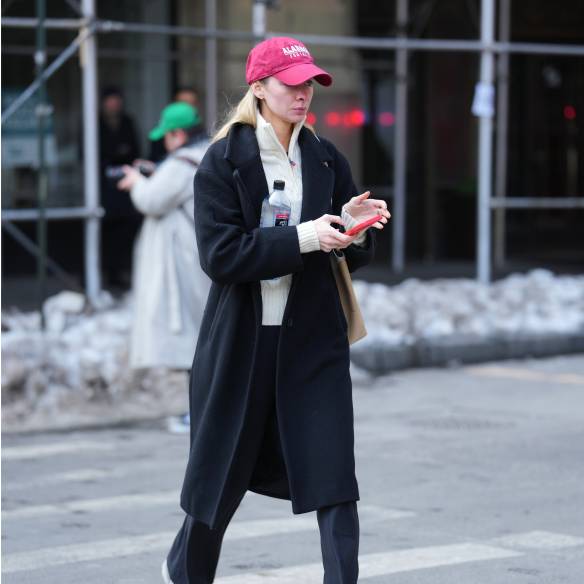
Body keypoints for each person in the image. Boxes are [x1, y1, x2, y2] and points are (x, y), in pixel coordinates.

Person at [162, 37, 391, 584]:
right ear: (260, 88)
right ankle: (186, 571)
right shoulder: (223, 160)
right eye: (291, 83)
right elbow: (221, 256)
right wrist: (306, 237)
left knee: (335, 478)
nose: (303, 93)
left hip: (312, 342)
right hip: (243, 343)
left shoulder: (326, 157)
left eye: (309, 82)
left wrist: (354, 228)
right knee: (219, 478)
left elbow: (350, 255)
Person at [117, 102, 211, 391]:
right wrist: (153, 172)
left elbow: (152, 201)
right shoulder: (207, 155)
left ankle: (198, 407)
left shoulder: (181, 164)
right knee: (201, 331)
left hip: (182, 262)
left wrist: (136, 182)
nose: (165, 143)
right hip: (198, 255)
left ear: (178, 134)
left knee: (191, 338)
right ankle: (200, 405)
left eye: (166, 136)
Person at [99, 86, 142, 290]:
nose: (114, 105)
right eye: (110, 101)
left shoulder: (127, 122)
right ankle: (105, 272)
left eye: (116, 101)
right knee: (104, 232)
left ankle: (118, 272)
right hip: (102, 189)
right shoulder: (95, 123)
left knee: (123, 231)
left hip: (124, 187)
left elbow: (133, 151)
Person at [148, 87, 200, 163]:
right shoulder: (160, 140)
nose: (187, 107)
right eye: (182, 103)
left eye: (191, 103)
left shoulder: (203, 147)